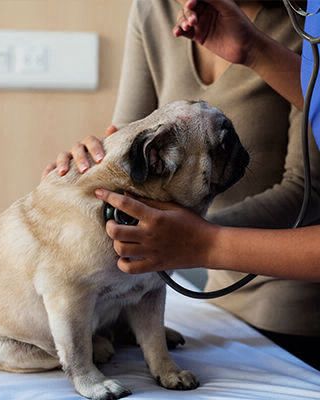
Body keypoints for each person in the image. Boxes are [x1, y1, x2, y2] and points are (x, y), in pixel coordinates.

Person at [44, 0, 320, 369]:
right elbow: (130, 160)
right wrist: (86, 170)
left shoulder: (307, 23)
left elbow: (305, 192)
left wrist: (196, 239)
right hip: (209, 293)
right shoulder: (153, 10)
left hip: (282, 304)